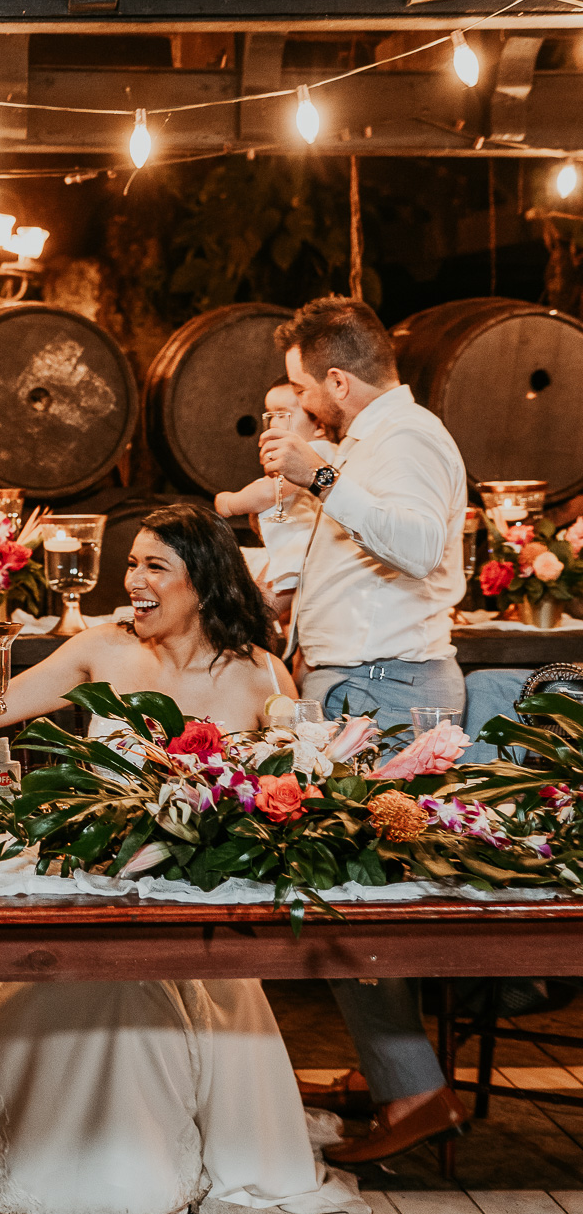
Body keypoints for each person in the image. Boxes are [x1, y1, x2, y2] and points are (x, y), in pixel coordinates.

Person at [0, 503, 367, 1214]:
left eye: (153, 566)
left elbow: (293, 786)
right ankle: (106, 1170)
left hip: (202, 901)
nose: (132, 580)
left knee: (192, 985)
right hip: (102, 889)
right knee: (113, 985)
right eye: (131, 563)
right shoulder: (98, 650)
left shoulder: (259, 673)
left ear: (204, 582)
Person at [260, 295, 469, 1165]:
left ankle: (415, 1090)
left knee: (353, 893)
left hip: (384, 691)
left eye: (304, 385)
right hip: (359, 684)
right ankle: (390, 1068)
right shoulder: (365, 443)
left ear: (337, 382)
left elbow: (421, 545)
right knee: (353, 888)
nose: (297, 399)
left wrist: (319, 478)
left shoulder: (409, 437)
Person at [216, 378, 340, 628]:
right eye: (270, 416)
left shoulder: (317, 451)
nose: (273, 424)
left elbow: (270, 492)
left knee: (257, 609)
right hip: (292, 549)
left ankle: (245, 638)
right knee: (286, 620)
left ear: (319, 425)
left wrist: (231, 502)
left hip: (300, 551)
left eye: (283, 416)